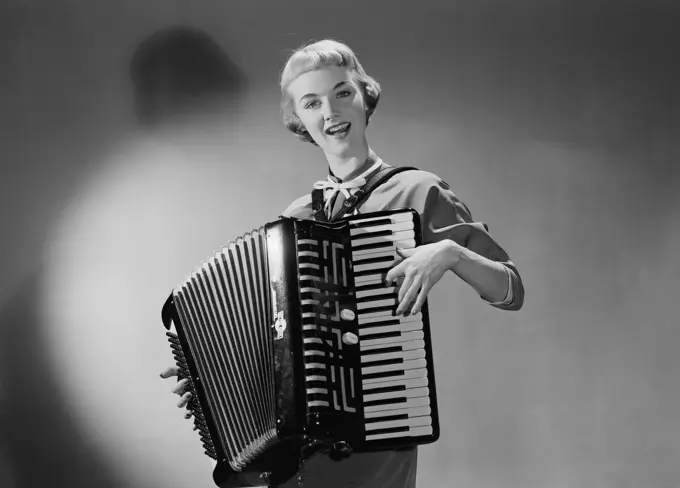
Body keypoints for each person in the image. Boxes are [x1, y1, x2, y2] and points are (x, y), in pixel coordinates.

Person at [160, 39, 524, 487]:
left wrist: (449, 253)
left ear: (365, 96)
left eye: (342, 93)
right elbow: (275, 335)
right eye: (312, 103)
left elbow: (510, 289)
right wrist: (208, 373)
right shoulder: (297, 219)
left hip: (378, 428)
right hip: (299, 452)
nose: (330, 111)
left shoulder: (417, 191)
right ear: (300, 121)